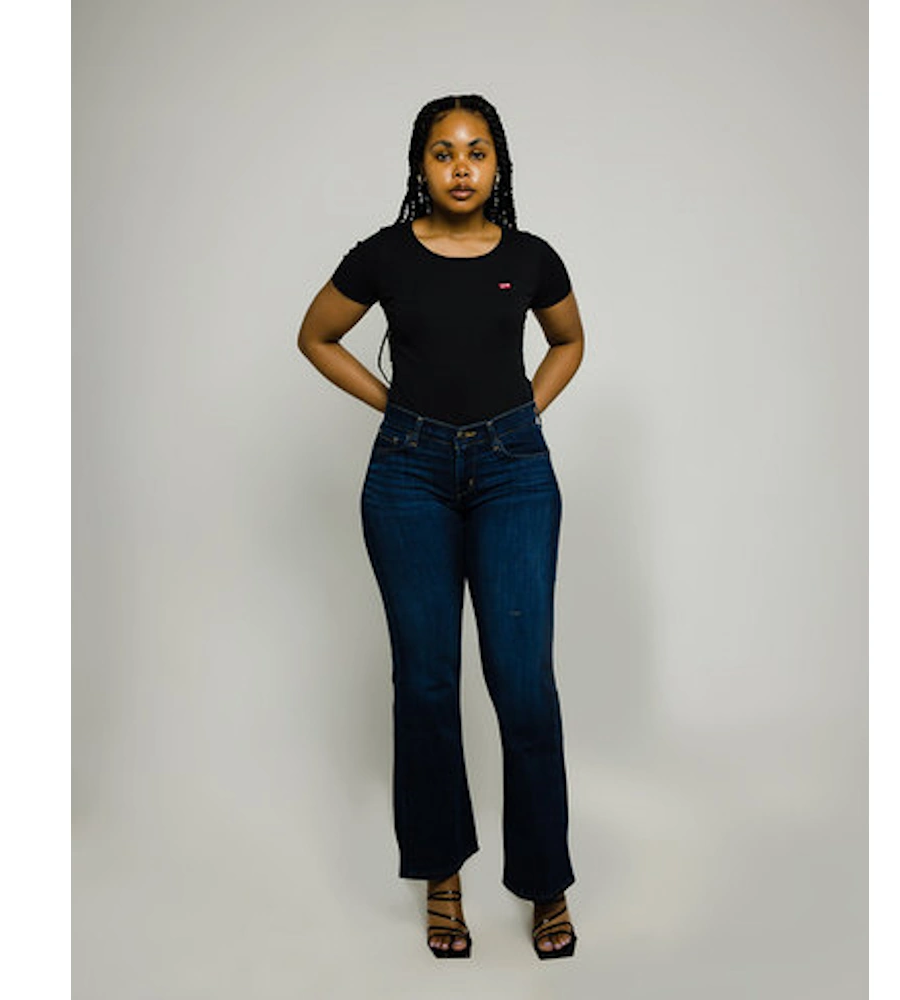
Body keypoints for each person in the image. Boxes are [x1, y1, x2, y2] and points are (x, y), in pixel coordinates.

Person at [297, 94, 585, 960]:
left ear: (499, 164)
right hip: (408, 477)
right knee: (425, 684)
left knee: (523, 685)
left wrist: (520, 418)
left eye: (477, 151)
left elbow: (568, 341)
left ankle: (545, 883)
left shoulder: (532, 257)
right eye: (443, 152)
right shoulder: (383, 255)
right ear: (419, 165)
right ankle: (441, 877)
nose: (461, 167)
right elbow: (317, 336)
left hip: (513, 476)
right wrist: (396, 407)